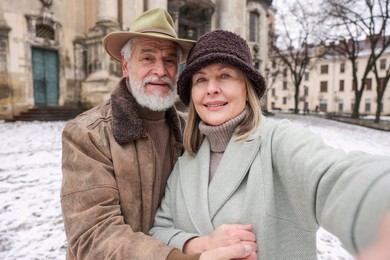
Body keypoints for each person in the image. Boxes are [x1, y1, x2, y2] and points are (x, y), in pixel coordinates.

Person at [149, 29, 390, 259]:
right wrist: (199, 244)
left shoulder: (279, 141)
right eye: (201, 79)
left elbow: (333, 178)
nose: (211, 89)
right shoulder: (186, 162)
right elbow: (159, 230)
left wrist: (377, 203)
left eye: (225, 75)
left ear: (247, 88)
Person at [60, 9, 252, 260]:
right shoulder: (88, 134)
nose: (160, 70)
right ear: (126, 66)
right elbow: (94, 235)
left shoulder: (192, 131)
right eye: (148, 58)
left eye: (170, 60)